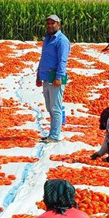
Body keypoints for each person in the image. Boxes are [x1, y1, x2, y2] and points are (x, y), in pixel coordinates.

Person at [36, 14, 71, 143]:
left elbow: (63, 61)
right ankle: (53, 132)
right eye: (48, 23)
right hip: (46, 76)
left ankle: (55, 136)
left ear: (58, 25)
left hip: (56, 76)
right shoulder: (47, 39)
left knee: (55, 107)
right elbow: (43, 58)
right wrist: (38, 74)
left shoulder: (61, 40)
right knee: (50, 107)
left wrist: (58, 77)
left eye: (53, 23)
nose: (50, 26)